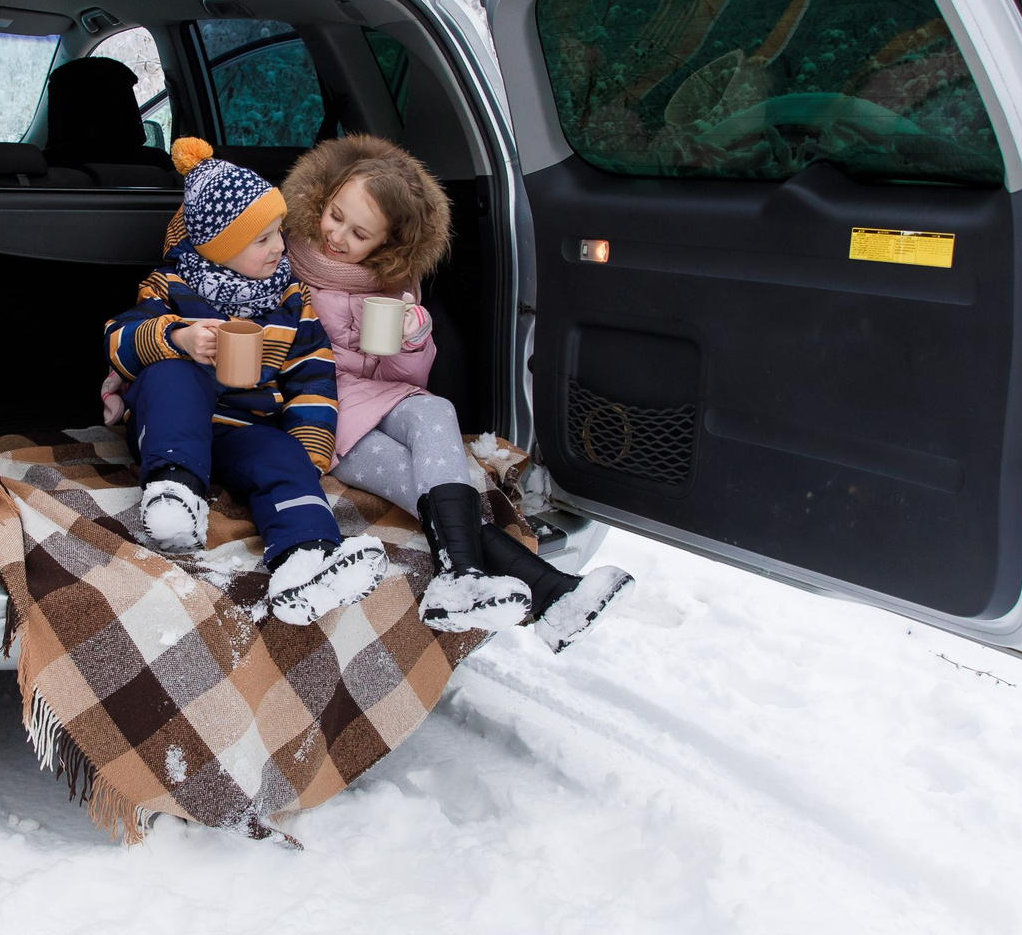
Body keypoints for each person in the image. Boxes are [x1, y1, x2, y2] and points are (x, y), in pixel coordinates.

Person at [284, 134, 632, 651]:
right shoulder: (279, 257)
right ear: (321, 198)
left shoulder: (389, 282)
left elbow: (402, 382)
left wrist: (413, 336)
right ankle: (539, 590)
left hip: (371, 395)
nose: (337, 236)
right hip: (313, 406)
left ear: (387, 244)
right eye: (335, 216)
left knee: (435, 409)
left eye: (360, 234)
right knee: (408, 474)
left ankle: (463, 576)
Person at [104, 137, 388, 627]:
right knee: (172, 375)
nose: (280, 246)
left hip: (242, 428)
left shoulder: (290, 300)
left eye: (279, 232)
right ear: (222, 246)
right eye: (263, 239)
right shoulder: (170, 287)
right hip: (171, 426)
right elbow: (119, 340)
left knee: (282, 456)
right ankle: (174, 496)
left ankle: (305, 560)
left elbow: (313, 374)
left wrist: (310, 452)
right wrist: (180, 337)